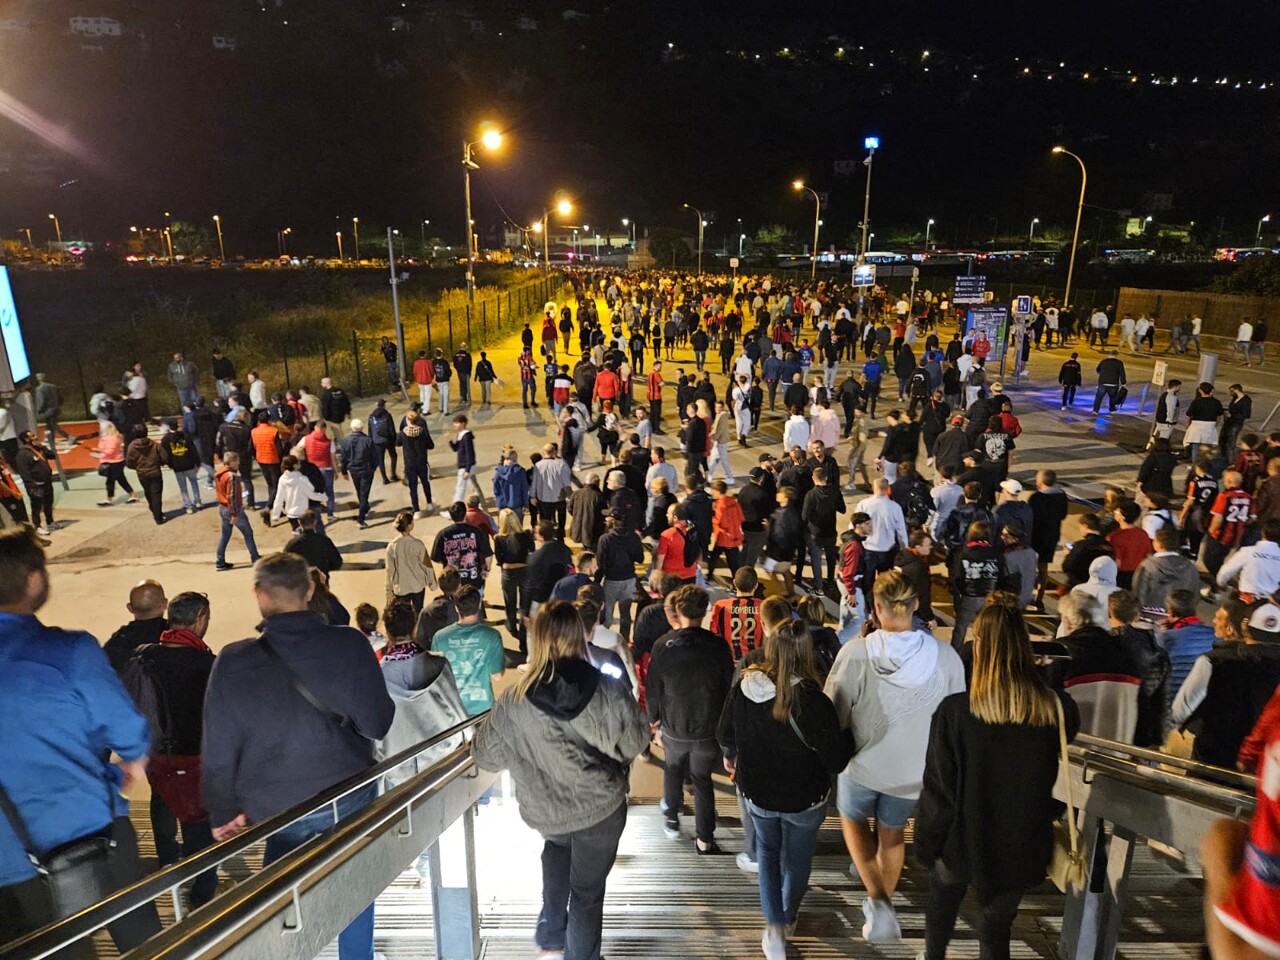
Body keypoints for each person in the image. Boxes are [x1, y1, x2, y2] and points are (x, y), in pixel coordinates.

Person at [201, 553, 394, 960]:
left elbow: (218, 750)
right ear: (309, 589)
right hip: (348, 793)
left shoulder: (233, 660)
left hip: (275, 809)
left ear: (260, 596)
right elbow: (378, 724)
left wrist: (222, 810)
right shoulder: (350, 644)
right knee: (354, 883)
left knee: (282, 893)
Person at [0, 527, 162, 952]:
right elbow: (126, 728)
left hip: (8, 858)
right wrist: (131, 760)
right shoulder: (67, 651)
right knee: (139, 934)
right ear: (33, 580)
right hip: (88, 831)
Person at [473, 600, 648, 960]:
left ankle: (552, 932)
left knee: (557, 846)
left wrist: (526, 753)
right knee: (586, 893)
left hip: (546, 809)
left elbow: (485, 754)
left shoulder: (515, 699)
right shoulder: (606, 688)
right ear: (579, 637)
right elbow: (635, 741)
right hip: (600, 809)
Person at [915, 601, 1080, 960]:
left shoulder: (955, 712)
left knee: (942, 906)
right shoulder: (1056, 709)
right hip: (1022, 844)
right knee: (996, 928)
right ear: (1025, 648)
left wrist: (928, 844)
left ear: (980, 648)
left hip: (962, 840)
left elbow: (939, 789)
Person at [826, 570, 965, 942]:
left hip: (862, 764)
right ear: (916, 605)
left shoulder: (856, 653)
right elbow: (955, 715)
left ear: (877, 607)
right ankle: (881, 905)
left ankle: (878, 899)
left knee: (853, 820)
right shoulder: (946, 656)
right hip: (914, 769)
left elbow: (834, 713)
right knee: (892, 834)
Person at [718, 620, 853, 959]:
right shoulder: (814, 701)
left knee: (767, 855)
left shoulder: (746, 685)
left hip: (759, 794)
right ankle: (789, 915)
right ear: (806, 652)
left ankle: (774, 928)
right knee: (797, 858)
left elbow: (724, 735)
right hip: (804, 799)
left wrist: (734, 757)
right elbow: (835, 761)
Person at [122, 591, 220, 909]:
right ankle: (201, 896)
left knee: (162, 801)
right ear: (200, 619)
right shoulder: (208, 664)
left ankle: (167, 858)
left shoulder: (143, 656)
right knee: (197, 826)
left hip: (155, 757)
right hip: (192, 762)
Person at [647, 584, 734, 853]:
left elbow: (653, 689)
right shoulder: (718, 646)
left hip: (674, 726)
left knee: (673, 770)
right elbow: (727, 688)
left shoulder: (663, 645)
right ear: (704, 612)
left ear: (678, 611)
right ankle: (704, 839)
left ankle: (672, 819)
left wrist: (655, 721)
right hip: (708, 729)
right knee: (701, 779)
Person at [1173, 600, 1280, 770]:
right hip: (1264, 767)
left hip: (1216, 761)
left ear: (1244, 629)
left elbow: (1181, 712)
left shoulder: (1221, 663)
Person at [432, 584, 505, 716]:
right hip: (482, 709)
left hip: (452, 709)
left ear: (456, 608)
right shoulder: (492, 635)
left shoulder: (440, 637)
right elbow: (497, 676)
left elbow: (436, 677)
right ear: (479, 605)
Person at [949, 519, 1005, 650]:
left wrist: (960, 593)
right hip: (990, 597)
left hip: (969, 596)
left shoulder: (963, 552)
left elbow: (957, 577)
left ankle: (955, 655)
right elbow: (1001, 576)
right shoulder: (996, 553)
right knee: (986, 630)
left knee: (960, 629)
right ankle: (984, 654)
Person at [1133, 525, 1202, 619]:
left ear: (1159, 544)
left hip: (1150, 616)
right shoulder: (1190, 567)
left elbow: (1139, 591)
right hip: (1178, 618)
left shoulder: (1147, 566)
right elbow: (1195, 594)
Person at [597, 509, 643, 638]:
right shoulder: (633, 536)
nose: (605, 519)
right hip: (629, 580)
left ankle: (601, 640)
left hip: (612, 581)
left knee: (607, 615)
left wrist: (596, 582)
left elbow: (601, 565)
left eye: (607, 517)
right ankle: (625, 641)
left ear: (613, 520)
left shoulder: (605, 539)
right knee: (625, 614)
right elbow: (640, 558)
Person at [431, 501, 493, 589]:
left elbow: (436, 558)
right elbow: (488, 555)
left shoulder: (442, 534)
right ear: (465, 513)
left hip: (452, 583)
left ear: (451, 516)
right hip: (473, 581)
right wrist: (487, 570)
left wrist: (448, 562)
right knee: (474, 601)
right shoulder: (476, 531)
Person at [214, 452, 260, 570]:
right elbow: (232, 496)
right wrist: (234, 513)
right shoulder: (232, 476)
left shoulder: (219, 474)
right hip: (233, 510)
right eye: (237, 461)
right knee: (248, 533)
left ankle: (220, 561)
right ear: (232, 462)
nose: (239, 463)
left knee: (225, 536)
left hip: (222, 508)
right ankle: (255, 558)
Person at [386, 509, 438, 613]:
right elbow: (426, 565)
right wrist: (432, 583)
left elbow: (390, 571)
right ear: (409, 526)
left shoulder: (391, 546)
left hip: (400, 587)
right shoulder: (417, 544)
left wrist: (389, 591)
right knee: (418, 612)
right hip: (417, 585)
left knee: (403, 615)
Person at [339, 418, 379, 528]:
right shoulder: (368, 440)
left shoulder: (345, 441)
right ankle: (361, 519)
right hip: (366, 470)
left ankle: (365, 508)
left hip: (353, 470)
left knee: (359, 490)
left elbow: (343, 458)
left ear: (352, 428)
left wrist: (344, 471)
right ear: (362, 428)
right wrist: (373, 467)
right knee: (364, 493)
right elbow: (375, 457)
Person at [125, 424, 167, 524]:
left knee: (148, 492)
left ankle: (154, 510)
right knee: (156, 494)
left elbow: (129, 462)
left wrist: (136, 467)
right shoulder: (154, 444)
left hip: (142, 473)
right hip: (155, 471)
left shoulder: (132, 446)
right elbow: (164, 457)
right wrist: (161, 463)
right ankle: (158, 516)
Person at [398, 407, 435, 516]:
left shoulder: (402, 434)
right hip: (422, 461)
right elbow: (431, 445)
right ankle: (429, 504)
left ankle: (417, 510)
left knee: (413, 487)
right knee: (425, 483)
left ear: (408, 421)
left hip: (409, 463)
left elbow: (397, 443)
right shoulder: (422, 432)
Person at [97, 421, 138, 507]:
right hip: (116, 461)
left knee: (111, 481)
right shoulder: (115, 437)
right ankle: (131, 494)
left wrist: (100, 451)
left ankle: (109, 498)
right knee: (120, 479)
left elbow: (110, 451)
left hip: (113, 462)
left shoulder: (111, 438)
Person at [1093, 350, 1127, 414]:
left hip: (1103, 382)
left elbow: (1098, 370)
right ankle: (1112, 409)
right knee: (1113, 397)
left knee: (1099, 397)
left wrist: (1102, 374)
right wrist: (1123, 383)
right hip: (1113, 383)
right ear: (1116, 355)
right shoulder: (1119, 363)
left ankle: (1095, 410)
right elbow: (1122, 373)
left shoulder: (1104, 361)